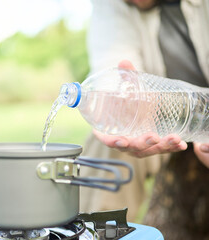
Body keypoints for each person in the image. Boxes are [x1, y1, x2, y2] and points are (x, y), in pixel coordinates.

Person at [79, 0, 209, 238]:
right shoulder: (111, 5)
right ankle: (94, 233)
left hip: (202, 115)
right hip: (164, 121)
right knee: (111, 137)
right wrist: (122, 105)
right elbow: (112, 70)